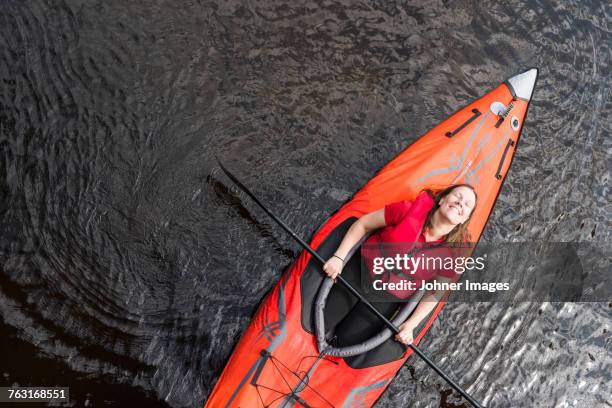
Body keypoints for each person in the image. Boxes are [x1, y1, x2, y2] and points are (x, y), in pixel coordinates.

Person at [322, 184, 477, 347]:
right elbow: (364, 224)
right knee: (325, 321)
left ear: (465, 218)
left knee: (346, 341)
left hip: (387, 298)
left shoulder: (454, 254)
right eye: (458, 196)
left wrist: (411, 324)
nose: (460, 203)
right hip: (360, 272)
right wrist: (339, 257)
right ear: (442, 199)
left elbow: (435, 292)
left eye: (467, 204)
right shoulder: (407, 210)